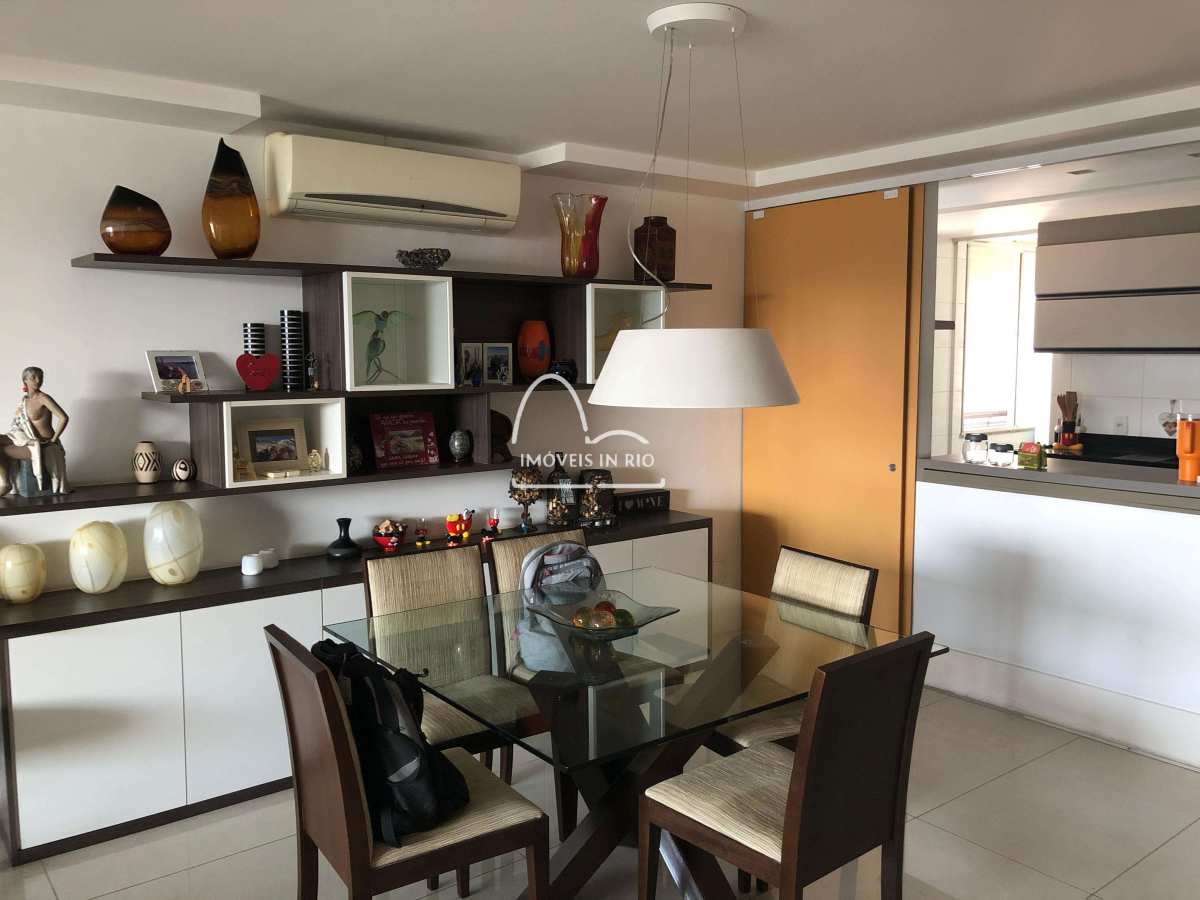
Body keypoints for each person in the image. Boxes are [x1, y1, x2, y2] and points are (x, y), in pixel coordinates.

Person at [0, 367, 70, 495]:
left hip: (43, 444)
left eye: (40, 377)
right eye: (33, 377)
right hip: (28, 438)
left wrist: (53, 440)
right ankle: (4, 482)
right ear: (25, 380)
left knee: (1, 450)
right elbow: (20, 424)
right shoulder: (25, 400)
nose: (38, 380)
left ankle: (5, 484)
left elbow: (63, 418)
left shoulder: (43, 398)